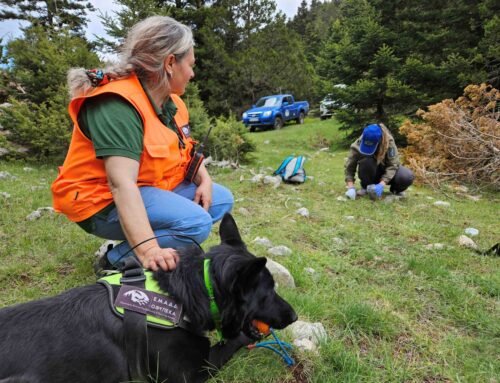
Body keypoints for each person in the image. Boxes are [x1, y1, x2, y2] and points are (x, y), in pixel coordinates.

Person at [51, 16, 234, 273]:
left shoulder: (172, 102)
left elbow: (187, 148)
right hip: (99, 202)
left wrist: (204, 179)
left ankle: (144, 234)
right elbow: (121, 184)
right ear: (170, 62)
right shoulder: (117, 105)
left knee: (220, 200)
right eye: (191, 65)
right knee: (196, 224)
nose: (193, 74)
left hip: (147, 188)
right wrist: (149, 250)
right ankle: (117, 259)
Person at [344, 123, 414, 200]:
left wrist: (382, 184)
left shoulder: (388, 142)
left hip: (386, 171)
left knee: (406, 176)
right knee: (366, 161)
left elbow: (393, 164)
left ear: (379, 141)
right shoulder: (358, 144)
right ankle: (366, 187)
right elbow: (350, 166)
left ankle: (395, 191)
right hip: (371, 172)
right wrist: (350, 187)